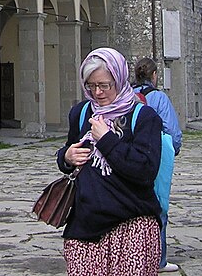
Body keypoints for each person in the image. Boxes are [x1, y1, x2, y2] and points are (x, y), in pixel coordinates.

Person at [56, 47, 163, 276]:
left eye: (105, 85)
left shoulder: (144, 118)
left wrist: (106, 139)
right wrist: (66, 157)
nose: (98, 93)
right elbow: (69, 151)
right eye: (91, 86)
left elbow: (145, 170)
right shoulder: (81, 113)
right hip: (85, 225)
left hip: (132, 224)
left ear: (120, 80)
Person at [133, 57, 182, 273]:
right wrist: (173, 150)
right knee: (159, 204)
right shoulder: (159, 98)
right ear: (154, 76)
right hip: (156, 156)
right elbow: (173, 132)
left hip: (130, 156)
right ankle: (158, 259)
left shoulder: (128, 97)